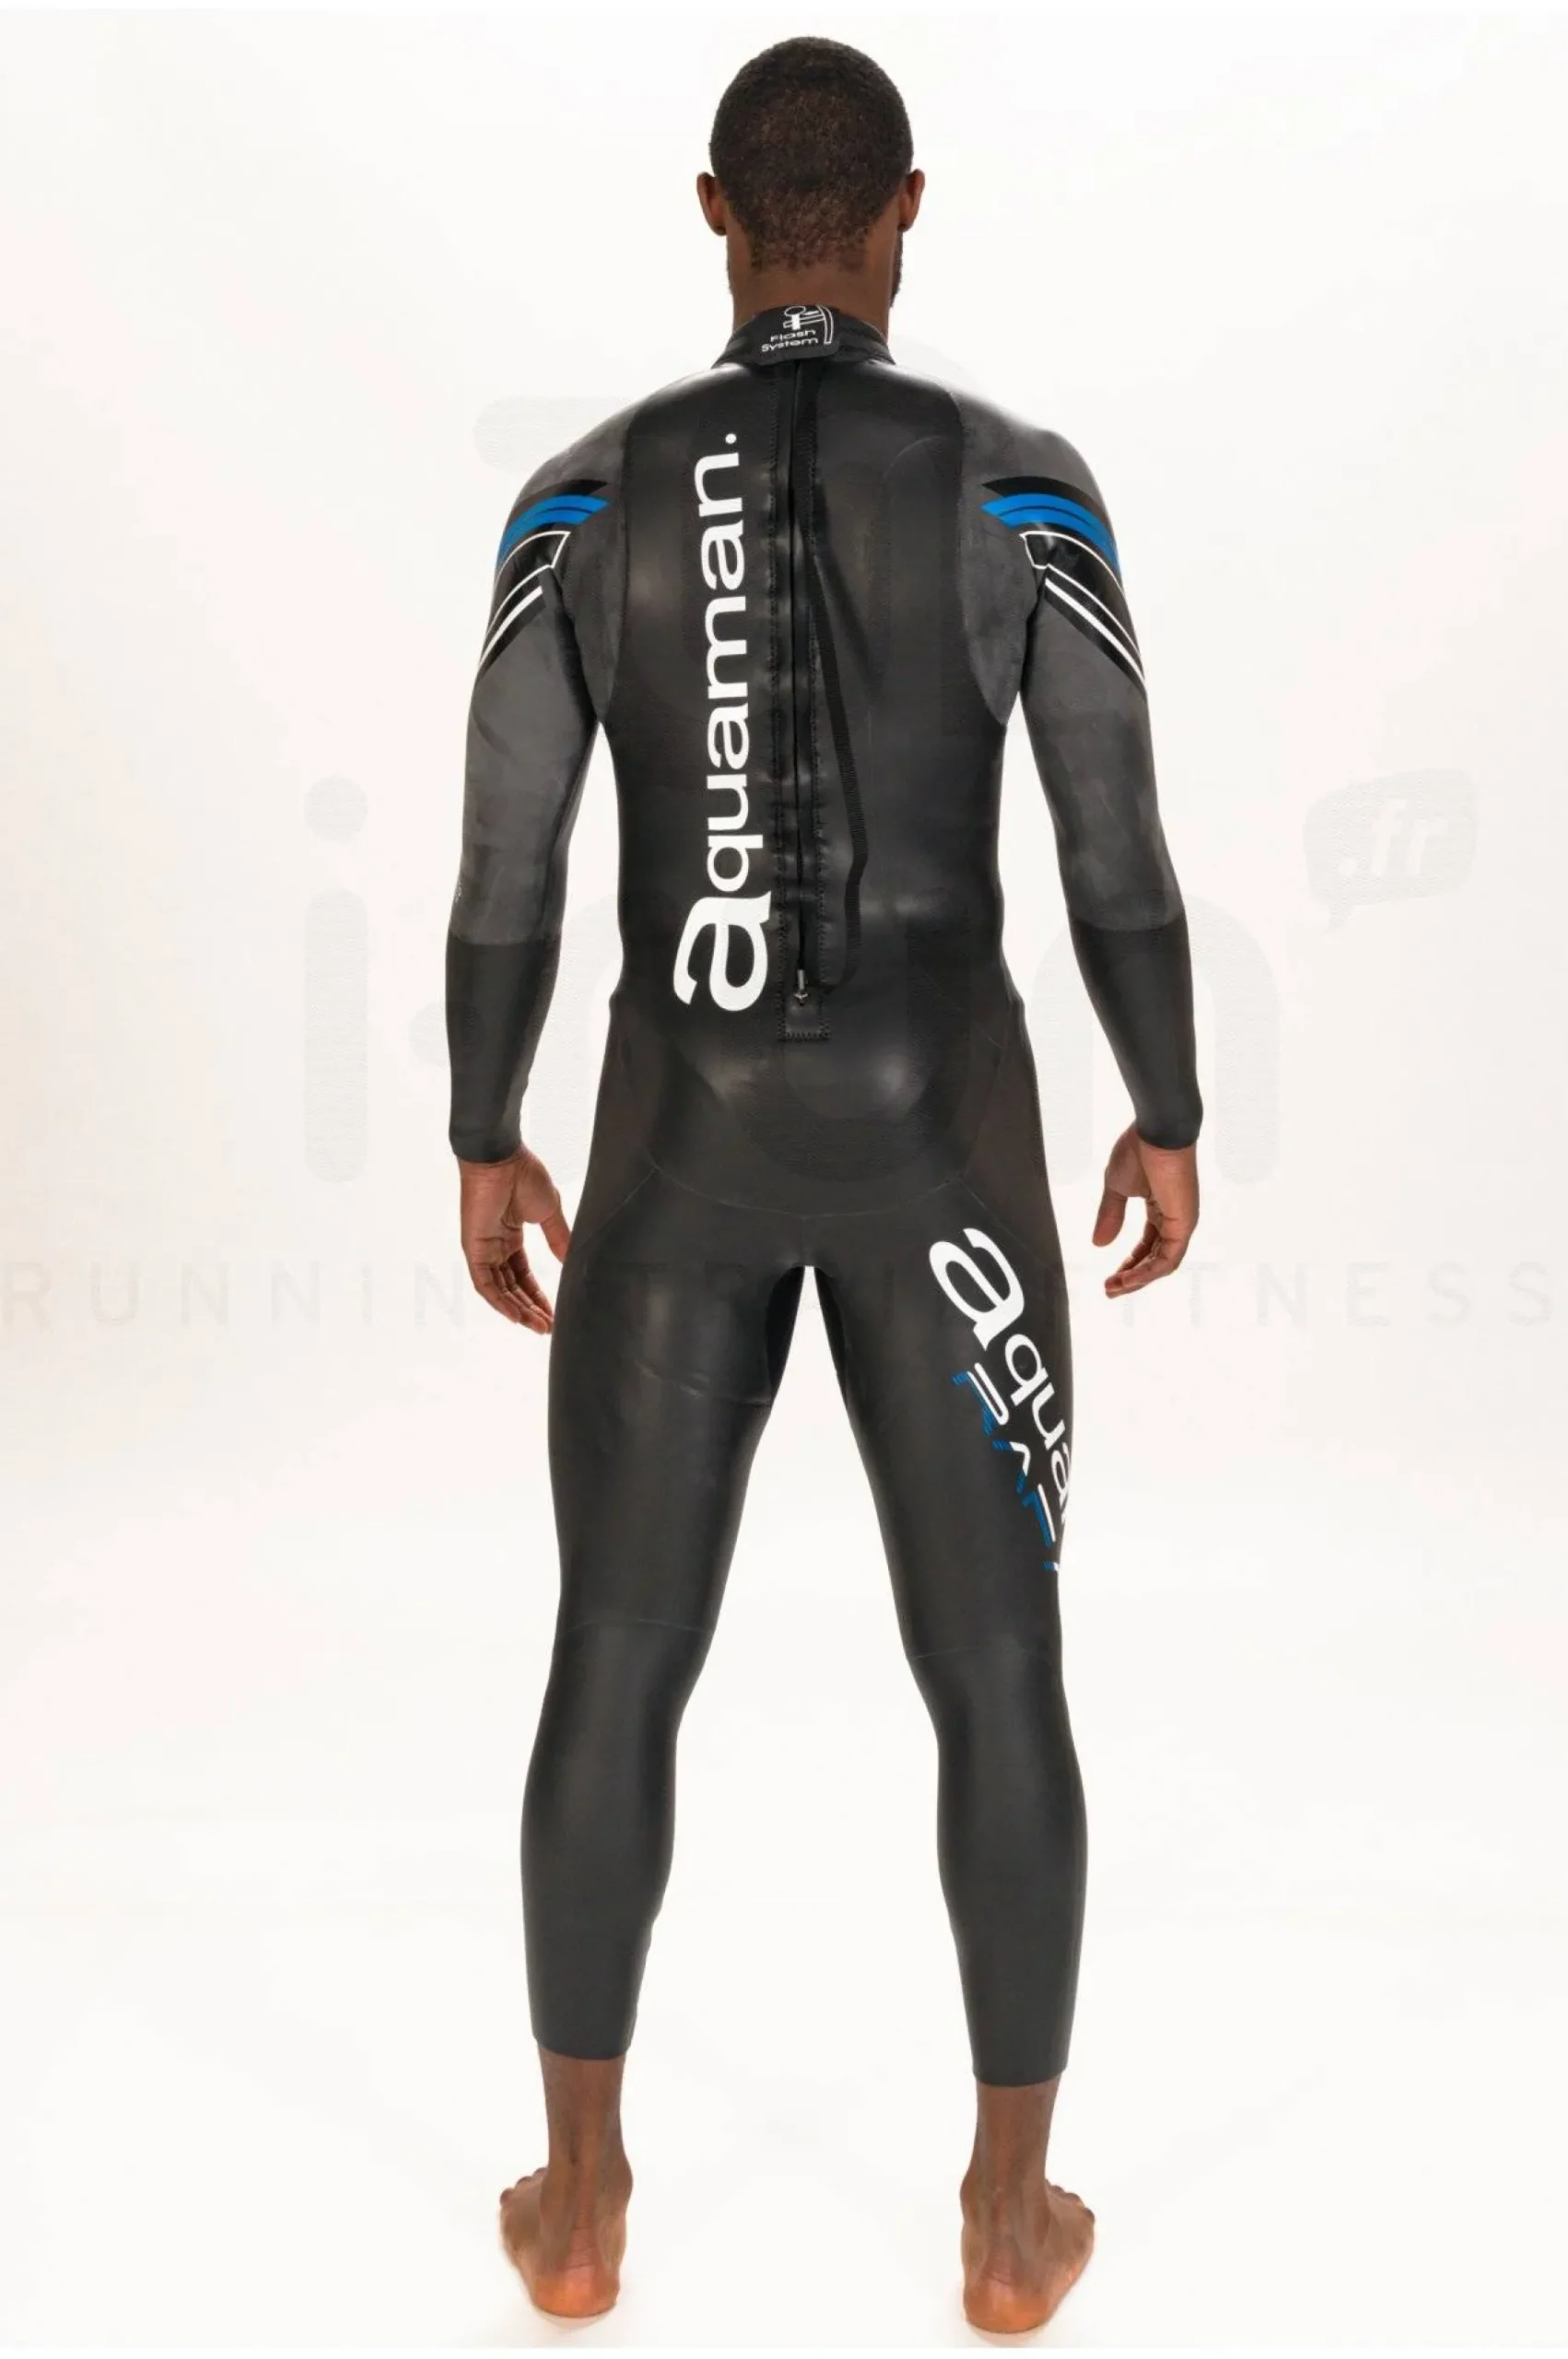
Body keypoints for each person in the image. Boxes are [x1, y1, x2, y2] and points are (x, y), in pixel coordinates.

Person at [446, 35, 1200, 2334]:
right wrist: (1164, 1105)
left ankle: (580, 2200)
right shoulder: (1019, 491)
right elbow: (1109, 847)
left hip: (673, 1145)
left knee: (613, 1652)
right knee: (995, 1668)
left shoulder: (575, 502)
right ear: (902, 214)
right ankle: (1007, 2219)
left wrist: (483, 1130)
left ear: (711, 212)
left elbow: (508, 868)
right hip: (935, 1145)